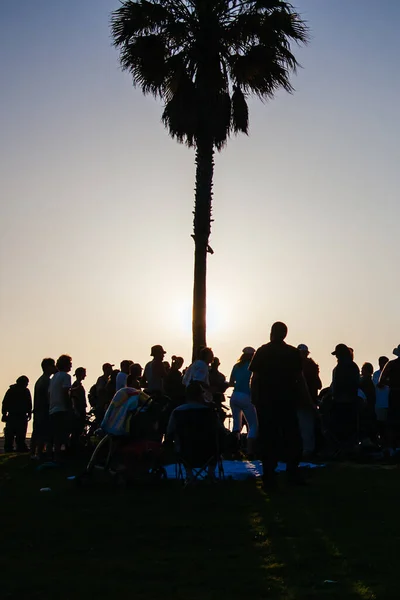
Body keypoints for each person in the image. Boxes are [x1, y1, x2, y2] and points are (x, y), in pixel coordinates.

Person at [250, 322, 304, 488]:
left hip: (267, 402)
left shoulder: (263, 351)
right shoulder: (293, 353)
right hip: (287, 400)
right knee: (292, 437)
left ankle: (269, 476)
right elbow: (299, 379)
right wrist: (306, 400)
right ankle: (292, 473)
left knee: (268, 438)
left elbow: (255, 377)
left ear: (272, 333)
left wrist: (255, 399)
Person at [229, 347, 258, 455]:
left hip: (234, 395)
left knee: (236, 425)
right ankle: (250, 451)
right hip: (246, 396)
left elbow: (231, 382)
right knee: (253, 425)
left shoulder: (236, 366)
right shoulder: (252, 367)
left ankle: (233, 450)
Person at [330, 344, 360, 443]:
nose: (336, 357)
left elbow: (338, 385)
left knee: (342, 427)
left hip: (342, 401)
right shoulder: (353, 366)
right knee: (350, 427)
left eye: (337, 354)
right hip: (350, 400)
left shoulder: (340, 367)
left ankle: (345, 448)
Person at [297, 344, 322, 456]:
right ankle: (307, 449)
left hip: (301, 400)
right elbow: (319, 384)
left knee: (303, 426)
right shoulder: (312, 366)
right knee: (307, 426)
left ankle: (305, 450)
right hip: (309, 399)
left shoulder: (296, 366)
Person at [30, 358, 57, 459]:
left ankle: (34, 452)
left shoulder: (41, 380)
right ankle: (39, 453)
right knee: (42, 432)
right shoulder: (46, 381)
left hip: (38, 410)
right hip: (43, 410)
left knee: (37, 431)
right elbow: (48, 397)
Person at [49, 354, 73, 462]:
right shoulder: (66, 377)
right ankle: (61, 457)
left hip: (53, 408)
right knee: (63, 433)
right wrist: (69, 407)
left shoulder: (54, 377)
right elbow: (65, 392)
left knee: (56, 435)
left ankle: (55, 456)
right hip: (62, 409)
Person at [2, 376, 32, 453]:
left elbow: (5, 403)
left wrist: (4, 413)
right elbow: (29, 403)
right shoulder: (25, 391)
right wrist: (29, 413)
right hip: (18, 415)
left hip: (14, 415)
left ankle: (11, 448)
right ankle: (18, 447)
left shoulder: (11, 390)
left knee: (12, 434)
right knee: (18, 434)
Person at [379, 346, 400, 452]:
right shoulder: (390, 364)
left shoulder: (391, 364)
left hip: (394, 393)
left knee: (392, 421)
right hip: (395, 393)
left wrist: (392, 384)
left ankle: (392, 446)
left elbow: (380, 382)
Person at [70, 367, 87, 450]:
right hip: (79, 409)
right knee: (77, 429)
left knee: (79, 429)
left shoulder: (78, 385)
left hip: (81, 409)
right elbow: (73, 397)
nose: (85, 375)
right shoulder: (76, 385)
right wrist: (76, 410)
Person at [359, 362, 377, 443]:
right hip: (370, 408)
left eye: (362, 369)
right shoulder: (369, 382)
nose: (361, 371)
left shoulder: (366, 382)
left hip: (367, 408)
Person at [373, 356, 389, 441]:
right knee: (380, 426)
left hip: (389, 404)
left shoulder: (391, 374)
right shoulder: (376, 374)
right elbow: (380, 385)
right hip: (380, 404)